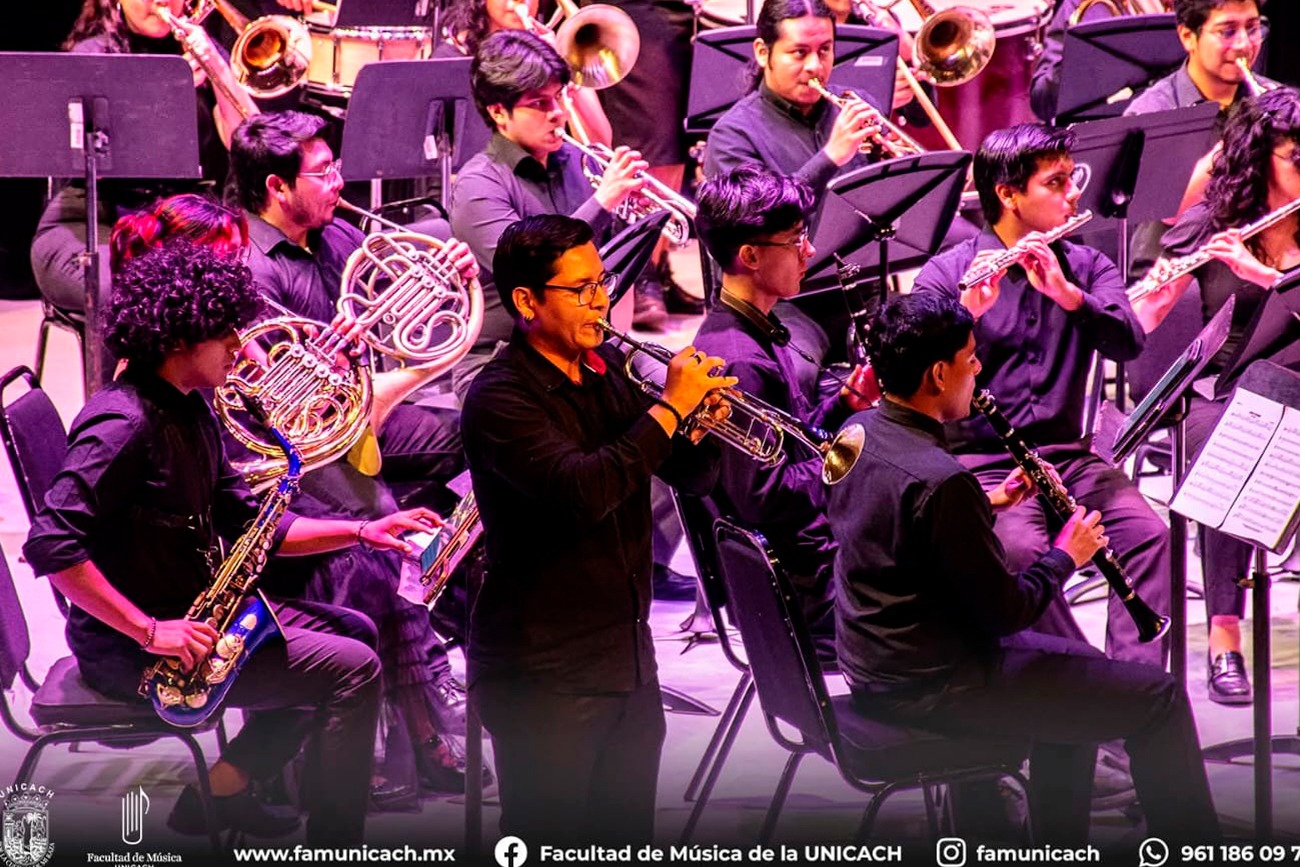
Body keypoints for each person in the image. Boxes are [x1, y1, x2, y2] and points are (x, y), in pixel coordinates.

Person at [22, 240, 440, 845]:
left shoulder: (192, 408)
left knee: (356, 630)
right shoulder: (122, 423)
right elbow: (53, 545)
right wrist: (149, 631)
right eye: (226, 334)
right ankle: (334, 842)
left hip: (194, 617)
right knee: (353, 671)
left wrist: (361, 532)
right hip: (136, 650)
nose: (242, 347)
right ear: (179, 340)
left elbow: (255, 523)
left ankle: (221, 790)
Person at [108, 193, 477, 806]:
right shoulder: (141, 400)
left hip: (246, 515)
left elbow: (292, 423)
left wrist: (335, 362)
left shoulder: (210, 351)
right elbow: (60, 545)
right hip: (187, 587)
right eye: (228, 261)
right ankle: (346, 756)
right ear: (185, 278)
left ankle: (398, 732)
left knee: (376, 538)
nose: (243, 276)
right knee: (362, 570)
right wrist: (148, 631)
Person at [828, 290, 1220, 846]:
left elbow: (898, 528)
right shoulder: (943, 479)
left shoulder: (861, 432)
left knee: (1084, 674)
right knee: (1160, 698)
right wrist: (1067, 553)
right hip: (936, 683)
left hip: (879, 662)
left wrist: (988, 503)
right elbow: (1006, 612)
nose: (978, 370)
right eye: (970, 359)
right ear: (938, 375)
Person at [460, 214, 731, 843]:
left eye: (602, 283)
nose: (601, 301)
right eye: (580, 289)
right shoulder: (499, 397)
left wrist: (698, 425)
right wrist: (669, 408)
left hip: (627, 663)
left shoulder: (607, 366)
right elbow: (585, 492)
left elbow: (691, 478)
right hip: (543, 675)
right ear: (526, 301)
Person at [911, 122, 1168, 671]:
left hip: (1071, 458)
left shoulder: (1087, 267)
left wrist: (1071, 298)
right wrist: (963, 318)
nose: (1074, 193)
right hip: (982, 465)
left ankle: (1136, 693)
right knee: (1020, 554)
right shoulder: (946, 274)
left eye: (1071, 178)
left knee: (1148, 535)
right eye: (1056, 183)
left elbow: (1128, 342)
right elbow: (914, 380)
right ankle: (1082, 683)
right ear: (1008, 195)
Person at [1131, 86, 1300, 704]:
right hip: (1231, 388)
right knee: (1225, 446)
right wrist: (1153, 296)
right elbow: (1137, 324)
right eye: (1296, 157)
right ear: (1260, 159)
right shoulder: (1215, 221)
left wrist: (1269, 279)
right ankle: (1224, 635)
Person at [226, 110, 476, 513]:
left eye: (335, 166)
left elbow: (399, 293)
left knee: (479, 437)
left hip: (359, 413)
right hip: (298, 443)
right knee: (378, 517)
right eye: (323, 172)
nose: (338, 182)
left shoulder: (335, 232)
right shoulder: (251, 268)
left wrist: (449, 274)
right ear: (278, 187)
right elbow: (273, 401)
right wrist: (332, 360)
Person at [690, 164, 876, 657]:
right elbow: (764, 496)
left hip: (814, 561)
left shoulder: (756, 331)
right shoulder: (738, 361)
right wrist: (851, 463)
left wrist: (842, 405)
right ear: (750, 255)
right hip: (805, 590)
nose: (809, 251)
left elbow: (788, 444)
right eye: (795, 239)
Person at [31, 0, 248, 383]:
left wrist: (218, 67)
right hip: (88, 223)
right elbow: (97, 161)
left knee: (241, 275)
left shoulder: (197, 50)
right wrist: (168, 91)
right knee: (127, 290)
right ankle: (119, 412)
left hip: (170, 228)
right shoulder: (93, 55)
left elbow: (249, 143)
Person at [448, 29, 648, 399]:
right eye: (540, 103)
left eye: (559, 97)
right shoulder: (478, 185)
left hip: (584, 346)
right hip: (502, 362)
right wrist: (603, 202)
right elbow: (533, 268)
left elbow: (611, 258)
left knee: (686, 388)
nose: (558, 114)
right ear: (498, 112)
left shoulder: (577, 161)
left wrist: (630, 211)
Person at [701, 0, 908, 208]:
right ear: (762, 52)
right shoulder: (732, 136)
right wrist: (830, 157)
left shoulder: (856, 105)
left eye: (824, 50)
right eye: (800, 52)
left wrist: (899, 169)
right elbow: (759, 220)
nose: (815, 66)